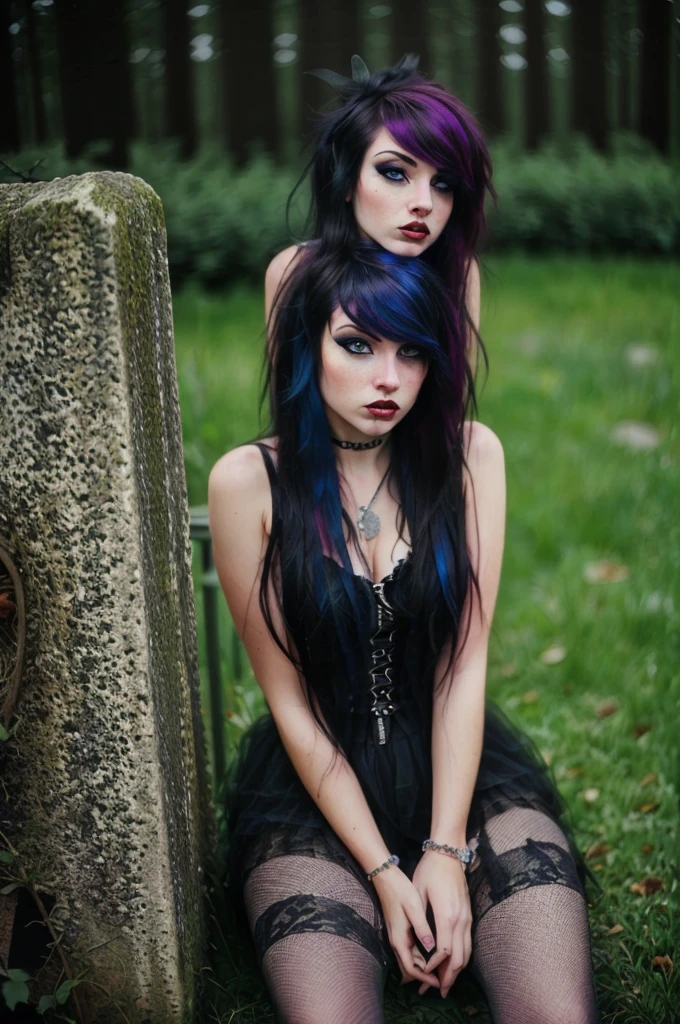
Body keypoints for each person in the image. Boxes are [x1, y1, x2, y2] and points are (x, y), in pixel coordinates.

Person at [208, 242, 600, 1023]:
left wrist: (446, 854)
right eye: (356, 345)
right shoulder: (247, 482)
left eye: (412, 352)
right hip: (314, 792)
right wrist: (389, 874)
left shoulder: (467, 458)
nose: (388, 378)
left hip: (466, 776)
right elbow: (289, 702)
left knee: (556, 1011)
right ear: (305, 344)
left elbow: (464, 661)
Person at [265, 55, 493, 356]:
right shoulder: (292, 270)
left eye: (443, 184)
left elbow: (455, 400)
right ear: (345, 180)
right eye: (395, 173)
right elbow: (287, 398)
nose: (424, 203)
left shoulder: (458, 269)